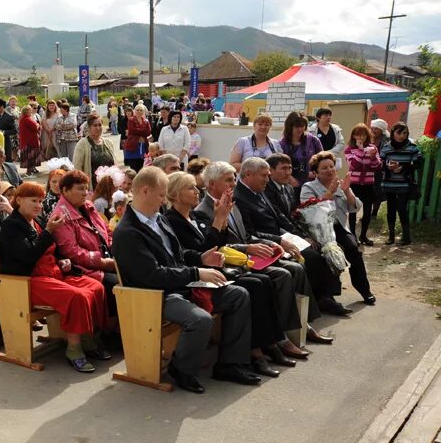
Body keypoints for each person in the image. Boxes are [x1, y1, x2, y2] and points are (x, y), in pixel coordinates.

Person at [113, 167, 258, 393]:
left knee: (238, 295)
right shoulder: (128, 231)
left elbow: (178, 255)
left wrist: (202, 258)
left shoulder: (157, 218)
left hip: (178, 284)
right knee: (200, 320)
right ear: (144, 191)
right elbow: (152, 276)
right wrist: (196, 273)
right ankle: (181, 370)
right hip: (154, 295)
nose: (164, 201)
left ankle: (230, 363)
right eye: (161, 195)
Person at [166, 172, 294, 376]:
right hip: (202, 277)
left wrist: (222, 219)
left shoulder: (196, 216)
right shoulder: (172, 221)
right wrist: (219, 219)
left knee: (263, 281)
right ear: (174, 193)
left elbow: (220, 243)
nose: (197, 191)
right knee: (252, 286)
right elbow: (204, 251)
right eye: (190, 188)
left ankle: (271, 343)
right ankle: (254, 352)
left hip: (217, 269)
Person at [196, 161, 325, 353]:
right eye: (228, 180)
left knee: (295, 267)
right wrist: (249, 247)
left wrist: (271, 243)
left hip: (248, 256)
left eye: (234, 179)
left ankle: (298, 326)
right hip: (233, 263)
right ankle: (280, 337)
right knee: (281, 275)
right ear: (212, 184)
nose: (233, 184)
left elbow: (247, 235)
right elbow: (218, 246)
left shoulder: (232, 204)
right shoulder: (202, 211)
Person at [0, 181, 108, 373]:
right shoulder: (11, 226)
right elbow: (27, 256)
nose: (39, 205)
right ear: (19, 200)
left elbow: (52, 250)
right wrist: (49, 231)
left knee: (95, 286)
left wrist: (62, 260)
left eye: (40, 201)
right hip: (29, 280)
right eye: (34, 200)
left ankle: (87, 338)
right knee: (77, 296)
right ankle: (74, 349)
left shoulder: (37, 221)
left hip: (54, 273)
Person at [236, 156, 349, 319]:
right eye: (264, 175)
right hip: (267, 243)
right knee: (311, 257)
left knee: (326, 248)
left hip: (282, 235)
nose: (267, 180)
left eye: (268, 175)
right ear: (248, 174)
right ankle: (313, 305)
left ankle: (325, 297)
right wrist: (280, 240)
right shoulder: (240, 197)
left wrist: (302, 235)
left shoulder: (259, 191)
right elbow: (249, 233)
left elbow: (280, 217)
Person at [49, 171, 117, 353]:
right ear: (65, 190)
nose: (85, 193)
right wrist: (101, 261)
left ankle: (118, 330)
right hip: (82, 268)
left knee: (133, 276)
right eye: (80, 189)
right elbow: (71, 252)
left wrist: (114, 249)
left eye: (87, 189)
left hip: (105, 258)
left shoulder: (88, 206)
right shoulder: (60, 216)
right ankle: (106, 332)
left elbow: (105, 232)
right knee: (115, 285)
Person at [301, 151, 374, 305]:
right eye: (324, 168)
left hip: (338, 227)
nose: (330, 170)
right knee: (331, 252)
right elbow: (310, 211)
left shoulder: (341, 185)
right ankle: (329, 295)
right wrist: (330, 193)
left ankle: (364, 289)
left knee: (354, 249)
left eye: (331, 167)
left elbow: (355, 207)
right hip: (319, 230)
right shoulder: (308, 187)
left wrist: (347, 191)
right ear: (315, 172)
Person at [380, 122, 422, 246]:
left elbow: (418, 164)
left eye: (405, 133)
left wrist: (403, 168)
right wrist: (388, 167)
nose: (402, 136)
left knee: (402, 209)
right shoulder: (386, 147)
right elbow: (380, 164)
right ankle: (391, 236)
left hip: (404, 183)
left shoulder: (412, 147)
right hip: (389, 183)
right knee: (390, 209)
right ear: (393, 133)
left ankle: (406, 237)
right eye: (399, 132)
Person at [344, 124, 382, 245]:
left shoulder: (372, 148)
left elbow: (377, 167)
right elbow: (353, 165)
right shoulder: (349, 149)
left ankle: (363, 236)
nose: (361, 137)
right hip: (354, 184)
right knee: (353, 211)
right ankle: (353, 236)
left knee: (367, 211)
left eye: (363, 134)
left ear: (367, 135)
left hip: (368, 184)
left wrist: (373, 157)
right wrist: (360, 151)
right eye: (358, 134)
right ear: (353, 136)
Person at [278, 111, 323, 189]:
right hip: (291, 185)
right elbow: (279, 166)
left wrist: (316, 173)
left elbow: (322, 160)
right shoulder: (282, 144)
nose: (300, 129)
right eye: (296, 127)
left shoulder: (313, 140)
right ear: (290, 126)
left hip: (313, 184)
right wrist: (289, 177)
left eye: (302, 126)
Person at [73, 115, 116, 180]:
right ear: (89, 127)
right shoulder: (82, 144)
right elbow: (77, 167)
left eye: (100, 125)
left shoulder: (109, 143)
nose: (98, 128)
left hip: (109, 184)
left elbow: (115, 165)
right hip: (92, 186)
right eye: (95, 125)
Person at [122, 104, 152, 172]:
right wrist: (143, 131)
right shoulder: (131, 120)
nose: (139, 111)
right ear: (134, 111)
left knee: (141, 167)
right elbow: (132, 130)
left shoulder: (146, 121)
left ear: (143, 111)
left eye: (141, 110)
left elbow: (148, 132)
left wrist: (138, 131)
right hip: (133, 146)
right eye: (137, 110)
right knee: (134, 168)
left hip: (143, 146)